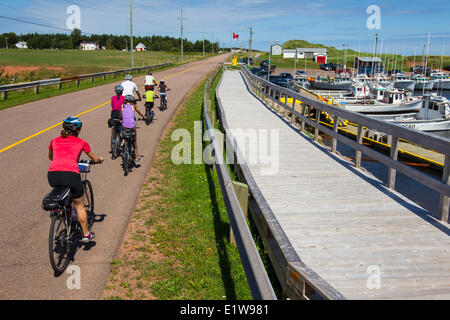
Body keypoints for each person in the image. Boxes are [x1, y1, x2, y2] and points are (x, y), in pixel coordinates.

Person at [48, 117, 103, 244]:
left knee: (62, 194)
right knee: (79, 205)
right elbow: (94, 158)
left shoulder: (54, 141)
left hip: (53, 175)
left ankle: (62, 213)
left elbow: (51, 157)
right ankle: (85, 234)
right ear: (78, 130)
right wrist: (99, 160)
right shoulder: (81, 142)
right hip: (71, 174)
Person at [121, 95, 145, 162]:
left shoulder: (122, 106)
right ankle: (136, 158)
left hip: (124, 126)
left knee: (124, 134)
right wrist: (144, 117)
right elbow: (139, 112)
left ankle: (123, 141)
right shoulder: (134, 107)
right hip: (132, 126)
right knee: (134, 142)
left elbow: (121, 115)